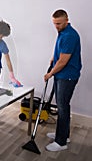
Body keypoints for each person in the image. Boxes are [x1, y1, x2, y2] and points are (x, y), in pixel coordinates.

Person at [44, 9, 81, 152]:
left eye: (59, 23)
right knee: (63, 106)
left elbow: (63, 62)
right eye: (54, 24)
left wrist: (50, 74)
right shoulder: (63, 32)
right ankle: (63, 135)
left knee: (63, 107)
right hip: (62, 75)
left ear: (66, 20)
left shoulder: (69, 35)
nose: (56, 26)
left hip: (67, 75)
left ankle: (61, 142)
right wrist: (54, 58)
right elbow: (61, 54)